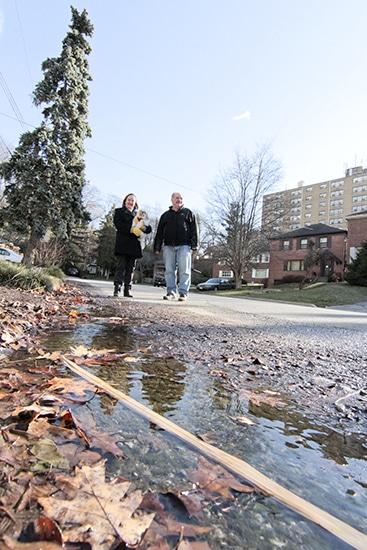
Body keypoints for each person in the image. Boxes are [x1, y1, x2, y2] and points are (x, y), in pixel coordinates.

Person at [154, 192, 198, 301]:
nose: (179, 200)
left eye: (181, 198)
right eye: (177, 198)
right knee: (169, 270)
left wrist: (194, 244)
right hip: (169, 246)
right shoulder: (165, 215)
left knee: (185, 270)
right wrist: (157, 246)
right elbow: (159, 232)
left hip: (185, 246)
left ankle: (183, 293)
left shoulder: (188, 213)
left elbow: (194, 230)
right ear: (172, 200)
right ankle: (171, 292)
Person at [113, 193, 152, 297]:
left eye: (132, 201)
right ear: (125, 201)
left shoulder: (139, 215)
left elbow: (148, 229)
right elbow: (119, 225)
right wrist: (131, 229)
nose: (130, 202)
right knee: (121, 267)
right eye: (129, 200)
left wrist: (142, 228)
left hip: (134, 245)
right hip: (123, 244)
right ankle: (117, 288)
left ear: (135, 203)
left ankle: (127, 289)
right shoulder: (119, 212)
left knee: (131, 268)